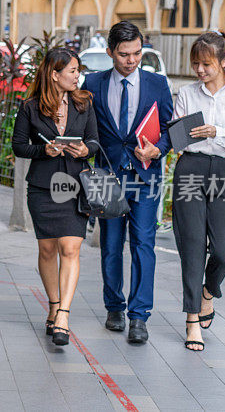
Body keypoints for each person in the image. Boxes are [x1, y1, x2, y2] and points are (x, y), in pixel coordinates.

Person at [81, 21, 173, 344]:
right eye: (123, 54)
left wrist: (157, 149)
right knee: (110, 246)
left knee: (143, 244)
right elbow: (85, 128)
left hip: (145, 177)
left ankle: (139, 316)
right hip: (108, 177)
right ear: (110, 53)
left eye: (137, 53)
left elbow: (170, 131)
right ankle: (114, 307)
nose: (131, 60)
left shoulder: (157, 84)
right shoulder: (92, 83)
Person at [172, 31, 225, 351]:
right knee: (192, 247)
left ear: (223, 61)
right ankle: (193, 320)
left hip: (224, 171)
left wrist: (216, 131)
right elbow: (179, 135)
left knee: (224, 249)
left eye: (207, 64)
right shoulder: (187, 94)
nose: (200, 70)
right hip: (190, 168)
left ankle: (208, 292)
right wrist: (186, 134)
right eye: (196, 64)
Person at [12, 47, 98, 346]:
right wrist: (43, 150)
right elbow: (19, 145)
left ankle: (63, 314)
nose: (78, 76)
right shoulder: (31, 107)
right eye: (73, 71)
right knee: (48, 250)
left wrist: (86, 149)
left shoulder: (85, 102)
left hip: (75, 186)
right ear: (54, 74)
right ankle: (52, 305)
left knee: (70, 248)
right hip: (42, 188)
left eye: (78, 71)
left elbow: (95, 140)